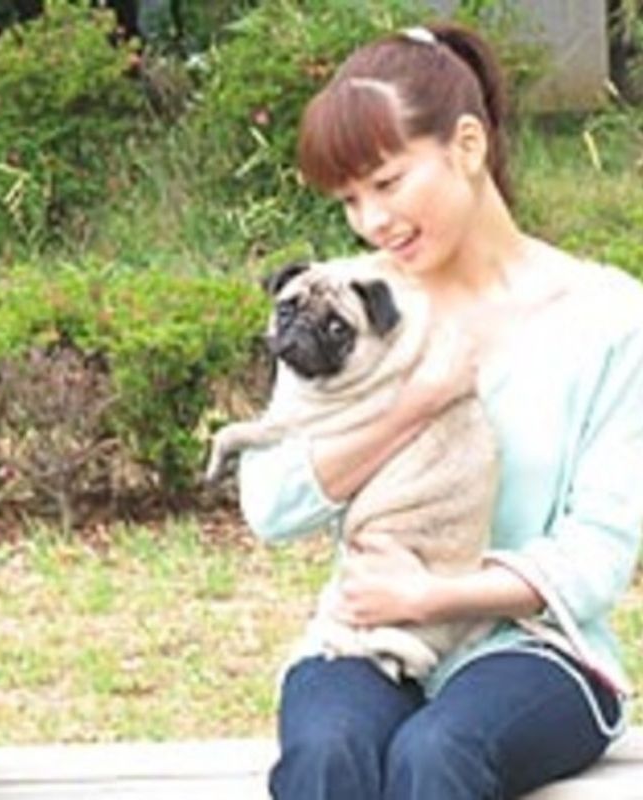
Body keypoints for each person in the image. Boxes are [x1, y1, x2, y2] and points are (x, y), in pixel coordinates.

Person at [236, 21, 643, 799]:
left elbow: (596, 557)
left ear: (467, 145)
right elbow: (270, 503)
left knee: (437, 752)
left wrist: (436, 595)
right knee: (328, 749)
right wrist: (414, 407)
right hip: (372, 636)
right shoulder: (348, 305)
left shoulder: (609, 317)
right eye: (349, 199)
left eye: (387, 183)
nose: (371, 221)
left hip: (537, 649)